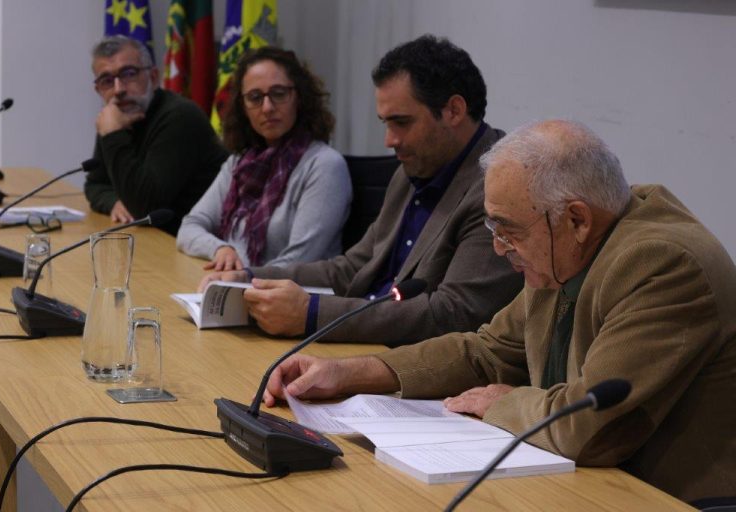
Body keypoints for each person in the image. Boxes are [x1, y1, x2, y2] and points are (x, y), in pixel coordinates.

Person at [261, 120, 736, 503]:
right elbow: (486, 351)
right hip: (574, 482)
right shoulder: (567, 248)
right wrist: (349, 374)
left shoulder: (660, 263)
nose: (497, 244)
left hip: (660, 497)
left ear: (576, 219)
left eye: (508, 228)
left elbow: (590, 429)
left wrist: (501, 403)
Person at [199, 35, 523, 346]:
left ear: (453, 110)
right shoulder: (409, 172)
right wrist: (248, 277)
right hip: (355, 341)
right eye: (386, 123)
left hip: (407, 364)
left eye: (401, 122)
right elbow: (353, 267)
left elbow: (452, 314)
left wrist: (310, 314)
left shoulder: (496, 188)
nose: (389, 141)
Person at [176, 47, 351, 270]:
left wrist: (242, 277)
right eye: (255, 97)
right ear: (243, 107)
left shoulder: (324, 165)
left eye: (278, 94)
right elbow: (190, 227)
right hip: (239, 287)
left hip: (291, 296)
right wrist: (221, 249)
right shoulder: (239, 164)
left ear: (299, 97)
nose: (267, 108)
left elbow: (300, 261)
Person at [85, 36, 228, 235]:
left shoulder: (180, 116)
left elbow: (147, 207)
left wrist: (114, 135)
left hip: (201, 246)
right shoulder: (115, 115)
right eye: (107, 80)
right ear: (98, 89)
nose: (118, 89)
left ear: (153, 77)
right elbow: (95, 184)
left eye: (128, 73)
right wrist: (114, 202)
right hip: (157, 239)